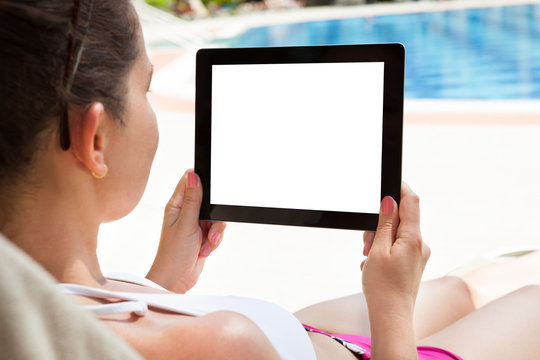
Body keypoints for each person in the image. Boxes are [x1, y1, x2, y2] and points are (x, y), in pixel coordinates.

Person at [2, 1, 540, 359]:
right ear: (95, 139)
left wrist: (164, 282)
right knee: (529, 301)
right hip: (368, 347)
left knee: (457, 289)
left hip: (297, 335)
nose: (151, 109)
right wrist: (391, 309)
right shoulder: (222, 343)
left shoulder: (39, 302)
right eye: (146, 88)